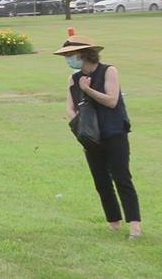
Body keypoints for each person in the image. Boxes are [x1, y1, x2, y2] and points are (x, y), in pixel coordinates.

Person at [54, 34, 142, 238]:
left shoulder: (109, 71)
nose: (68, 60)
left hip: (114, 132)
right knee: (101, 181)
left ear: (84, 54)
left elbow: (111, 101)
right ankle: (114, 223)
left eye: (71, 55)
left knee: (121, 177)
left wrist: (87, 89)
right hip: (90, 137)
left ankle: (135, 225)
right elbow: (70, 107)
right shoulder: (73, 78)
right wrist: (79, 126)